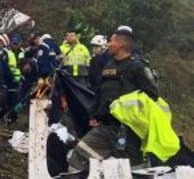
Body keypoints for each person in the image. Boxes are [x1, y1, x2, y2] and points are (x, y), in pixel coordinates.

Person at [67, 30, 160, 172]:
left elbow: (152, 96)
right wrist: (93, 114)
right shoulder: (109, 65)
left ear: (121, 45)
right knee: (78, 158)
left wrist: (128, 108)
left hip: (128, 131)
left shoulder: (137, 67)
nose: (108, 44)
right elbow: (99, 91)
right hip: (105, 127)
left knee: (135, 170)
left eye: (111, 41)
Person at [0, 34, 21, 124]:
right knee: (7, 101)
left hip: (10, 81)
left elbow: (6, 69)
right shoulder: (5, 53)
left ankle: (9, 120)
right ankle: (7, 119)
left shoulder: (5, 54)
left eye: (0, 41)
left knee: (9, 101)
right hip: (10, 80)